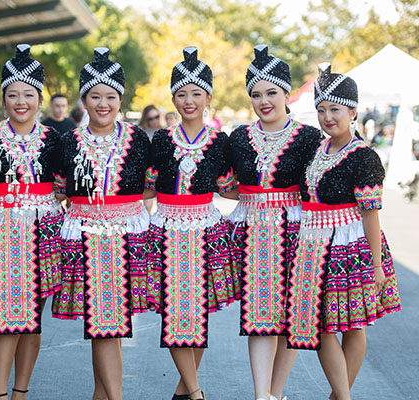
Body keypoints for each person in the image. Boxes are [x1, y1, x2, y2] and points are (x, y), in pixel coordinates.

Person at [291, 63, 401, 399]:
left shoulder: (364, 157)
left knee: (353, 325)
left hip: (352, 248)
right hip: (313, 246)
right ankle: (343, 396)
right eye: (321, 110)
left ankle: (339, 396)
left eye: (335, 110)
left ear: (352, 112)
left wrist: (377, 265)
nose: (327, 118)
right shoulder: (315, 150)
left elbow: (370, 213)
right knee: (322, 326)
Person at [51, 47, 151, 400]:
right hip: (85, 239)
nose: (103, 103)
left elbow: (151, 190)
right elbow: (58, 192)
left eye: (110, 96)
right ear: (84, 100)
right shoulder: (68, 142)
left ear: (120, 99)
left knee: (108, 328)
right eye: (95, 96)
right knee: (105, 327)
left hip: (127, 239)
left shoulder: (138, 140)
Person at [227, 44, 322, 400]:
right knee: (261, 317)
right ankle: (259, 395)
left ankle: (275, 394)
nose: (263, 100)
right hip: (253, 232)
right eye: (255, 94)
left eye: (271, 92)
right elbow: (225, 183)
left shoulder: (310, 137)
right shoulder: (238, 137)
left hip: (298, 231)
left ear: (286, 93)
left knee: (293, 317)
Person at [145, 47, 239, 400]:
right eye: (181, 94)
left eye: (196, 94)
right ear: (173, 97)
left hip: (205, 228)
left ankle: (184, 392)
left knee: (199, 312)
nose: (188, 101)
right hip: (167, 228)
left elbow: (228, 190)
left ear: (208, 98)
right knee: (175, 311)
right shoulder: (162, 141)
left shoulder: (221, 142)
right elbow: (148, 189)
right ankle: (196, 392)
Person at [0, 44, 64, 400]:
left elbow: (64, 187)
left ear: (39, 98)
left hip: (44, 233)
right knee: (7, 321)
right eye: (13, 94)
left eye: (28, 94)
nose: (21, 101)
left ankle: (21, 392)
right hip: (2, 235)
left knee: (32, 322)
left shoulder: (54, 139)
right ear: (4, 98)